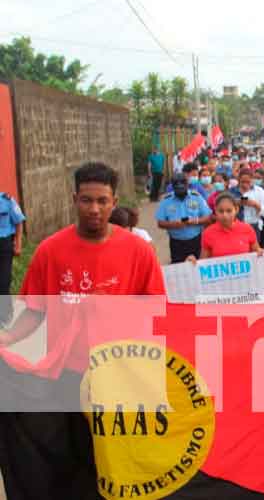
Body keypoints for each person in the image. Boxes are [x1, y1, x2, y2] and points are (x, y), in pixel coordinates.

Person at [0, 162, 164, 500]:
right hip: (68, 376)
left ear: (114, 201)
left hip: (119, 376)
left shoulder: (138, 252)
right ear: (74, 199)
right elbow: (34, 311)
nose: (94, 209)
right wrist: (6, 339)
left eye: (102, 201)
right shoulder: (50, 251)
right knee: (72, 457)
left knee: (117, 459)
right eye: (87, 200)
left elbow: (156, 313)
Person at [187, 192, 263, 262]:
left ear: (236, 210)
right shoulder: (208, 233)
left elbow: (257, 254)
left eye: (229, 211)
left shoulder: (247, 229)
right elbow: (202, 263)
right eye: (221, 211)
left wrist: (261, 252)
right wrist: (192, 262)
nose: (225, 215)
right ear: (215, 211)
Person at [156, 172, 213, 263]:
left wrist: (196, 220)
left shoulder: (197, 197)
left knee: (197, 265)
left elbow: (208, 217)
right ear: (172, 186)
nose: (180, 186)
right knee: (178, 268)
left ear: (188, 184)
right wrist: (173, 224)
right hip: (176, 242)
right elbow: (160, 223)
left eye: (182, 183)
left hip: (195, 240)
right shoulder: (166, 201)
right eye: (176, 184)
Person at [0, 192, 24, 329]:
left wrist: (18, 243)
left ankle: (5, 315)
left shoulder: (7, 201)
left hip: (4, 246)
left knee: (3, 282)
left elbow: (19, 221)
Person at [238, 167, 264, 240]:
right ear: (238, 179)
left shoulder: (259, 191)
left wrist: (256, 205)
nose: (245, 185)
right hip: (237, 226)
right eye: (243, 182)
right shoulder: (233, 191)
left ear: (252, 180)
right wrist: (238, 202)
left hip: (254, 226)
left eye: (248, 182)